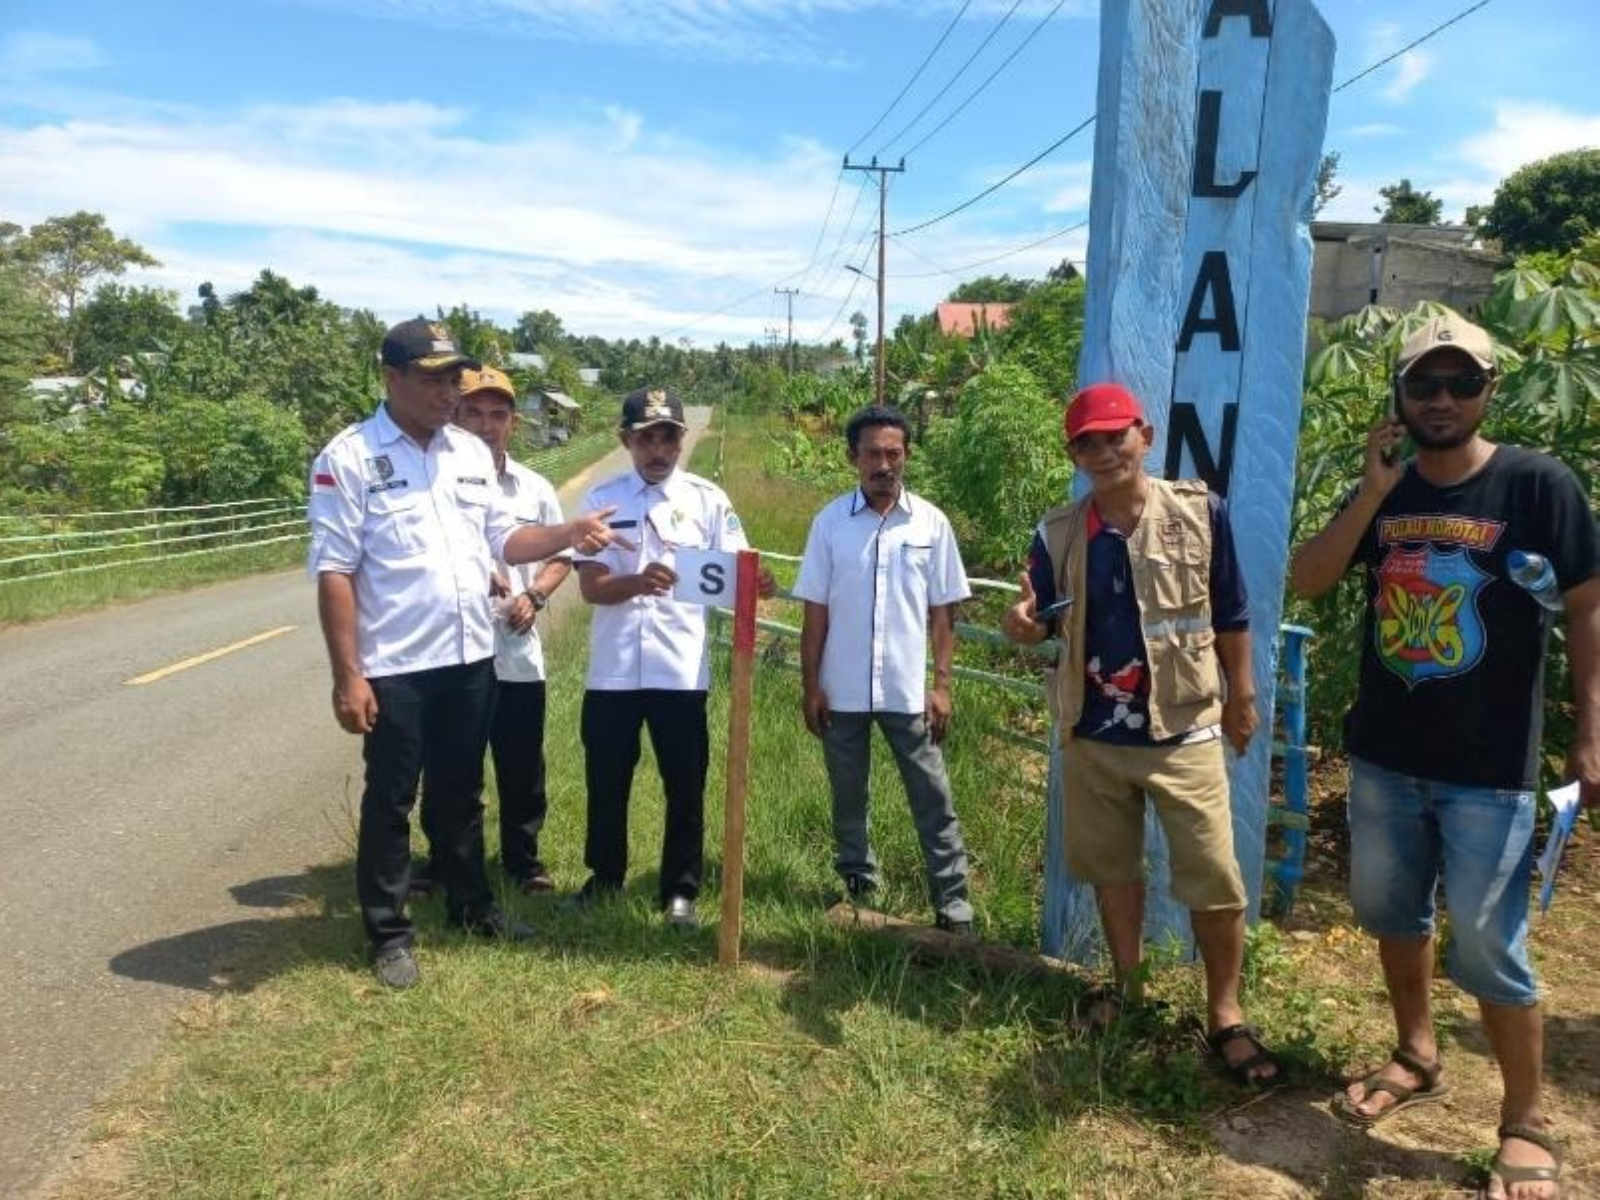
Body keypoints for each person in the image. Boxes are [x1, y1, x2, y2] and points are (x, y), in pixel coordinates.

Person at [1290, 312, 1597, 1198]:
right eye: (1424, 384)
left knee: (1492, 948)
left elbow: (1586, 607)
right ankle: (1416, 1053)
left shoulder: (1536, 484)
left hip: (1492, 769)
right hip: (1385, 756)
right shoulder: (1384, 495)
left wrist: (1589, 732)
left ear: (1487, 390)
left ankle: (1525, 1121)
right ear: (1400, 396)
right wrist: (1369, 492)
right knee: (1394, 917)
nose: (1441, 399)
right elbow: (1308, 579)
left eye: (1461, 383)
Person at [308, 319, 623, 989]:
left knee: (461, 792)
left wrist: (568, 531)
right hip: (395, 665)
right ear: (391, 378)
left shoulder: (469, 455)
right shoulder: (350, 458)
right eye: (433, 377)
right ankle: (389, 932)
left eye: (454, 375)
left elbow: (506, 541)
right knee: (391, 800)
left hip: (470, 656)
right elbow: (335, 571)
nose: (448, 391)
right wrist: (348, 676)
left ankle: (472, 904)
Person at [1000, 382, 1277, 1087]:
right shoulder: (1058, 533)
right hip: (1095, 734)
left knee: (1215, 877)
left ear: (1144, 436)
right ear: (1073, 454)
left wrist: (1242, 693)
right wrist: (1023, 626)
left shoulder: (1198, 514)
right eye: (1086, 442)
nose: (1102, 451)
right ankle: (1130, 989)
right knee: (1114, 873)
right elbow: (1036, 618)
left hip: (1183, 727)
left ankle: (1226, 1013)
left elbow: (1232, 612)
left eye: (1114, 435)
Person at [569, 386, 772, 928]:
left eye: (669, 438)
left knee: (685, 782)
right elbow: (591, 588)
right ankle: (604, 876)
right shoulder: (600, 500)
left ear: (681, 441)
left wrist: (757, 583)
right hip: (612, 671)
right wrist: (635, 582)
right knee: (607, 778)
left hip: (681, 669)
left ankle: (680, 890)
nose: (658, 450)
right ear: (626, 440)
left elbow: (735, 572)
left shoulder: (708, 501)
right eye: (646, 438)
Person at [792, 405, 976, 935]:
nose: (884, 464)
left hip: (907, 692)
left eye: (893, 453)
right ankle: (858, 888)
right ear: (853, 457)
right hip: (841, 688)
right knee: (849, 795)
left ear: (906, 456)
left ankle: (954, 905)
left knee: (933, 798)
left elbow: (944, 612)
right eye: (872, 453)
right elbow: (815, 613)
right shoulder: (829, 524)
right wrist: (811, 687)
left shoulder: (930, 523)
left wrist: (941, 686)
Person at [446, 365, 572, 893]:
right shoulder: (438, 484)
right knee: (455, 765)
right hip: (452, 651)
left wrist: (536, 594)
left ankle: (523, 861)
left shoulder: (535, 488)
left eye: (497, 414)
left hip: (517, 650)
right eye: (473, 411)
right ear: (454, 415)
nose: (485, 424)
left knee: (521, 764)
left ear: (513, 423)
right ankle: (450, 862)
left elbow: (562, 555)